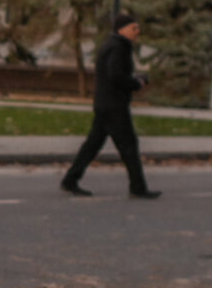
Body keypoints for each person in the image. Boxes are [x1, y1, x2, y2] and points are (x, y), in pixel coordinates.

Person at [62, 12, 158, 199]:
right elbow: (115, 75)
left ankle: (70, 179)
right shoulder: (119, 47)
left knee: (92, 145)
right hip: (114, 106)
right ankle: (138, 188)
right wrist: (136, 83)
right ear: (122, 29)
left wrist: (133, 79)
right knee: (129, 145)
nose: (138, 31)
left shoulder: (113, 45)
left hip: (105, 103)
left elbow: (113, 73)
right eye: (134, 28)